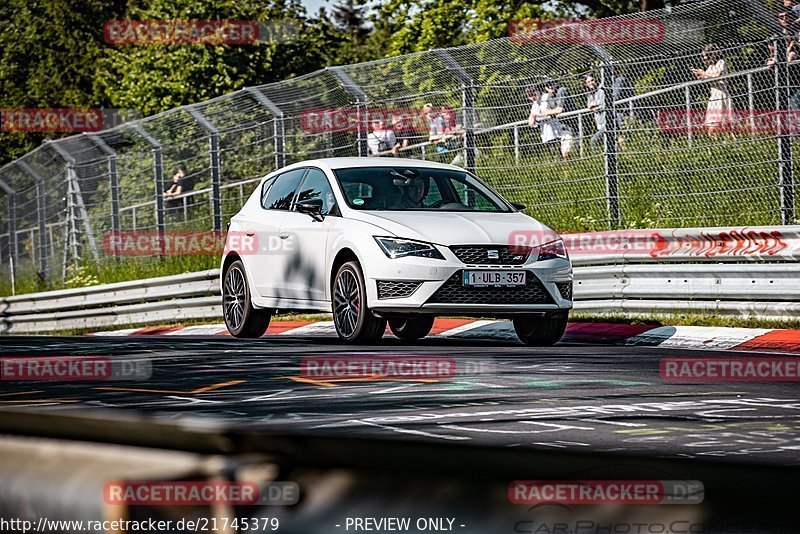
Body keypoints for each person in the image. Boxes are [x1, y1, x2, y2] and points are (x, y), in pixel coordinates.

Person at [690, 44, 732, 133]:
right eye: (703, 56)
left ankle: (733, 141)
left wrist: (704, 74)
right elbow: (707, 78)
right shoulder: (710, 67)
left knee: (724, 123)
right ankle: (719, 142)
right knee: (712, 123)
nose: (704, 58)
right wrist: (699, 75)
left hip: (721, 95)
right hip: (713, 96)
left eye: (706, 55)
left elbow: (716, 76)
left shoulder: (721, 62)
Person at [527, 83, 566, 159]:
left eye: (533, 94)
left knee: (561, 151)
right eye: (530, 95)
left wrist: (547, 113)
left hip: (556, 129)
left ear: (538, 91)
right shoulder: (535, 104)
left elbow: (556, 109)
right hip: (546, 133)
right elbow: (532, 116)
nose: (533, 97)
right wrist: (532, 119)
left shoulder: (546, 97)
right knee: (553, 153)